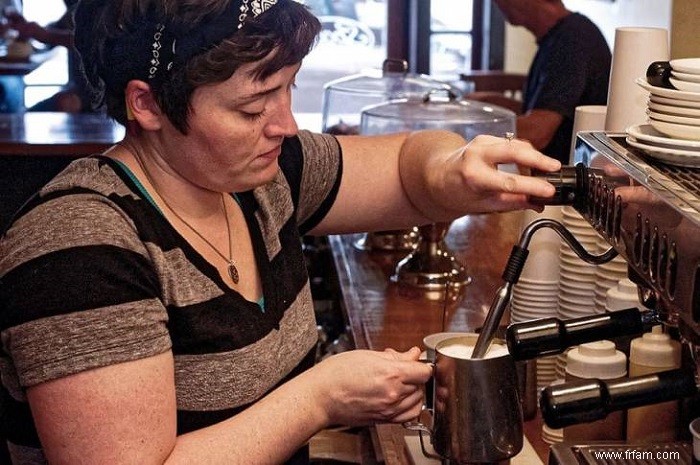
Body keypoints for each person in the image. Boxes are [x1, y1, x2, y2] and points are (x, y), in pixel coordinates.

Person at [0, 1, 561, 464]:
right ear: (146, 105)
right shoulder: (77, 244)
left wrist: (452, 169)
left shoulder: (261, 179)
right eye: (251, 108)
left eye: (287, 88)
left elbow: (405, 171)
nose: (285, 125)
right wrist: (321, 397)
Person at [467, 0, 611, 164]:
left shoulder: (573, 40)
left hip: (559, 177)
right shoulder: (563, 34)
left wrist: (468, 129)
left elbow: (538, 132)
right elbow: (546, 108)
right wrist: (485, 103)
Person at [3, 0, 92, 113]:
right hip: (82, 90)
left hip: (101, 96)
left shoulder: (99, 8)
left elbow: (93, 41)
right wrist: (28, 30)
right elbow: (55, 31)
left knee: (65, 102)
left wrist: (44, 35)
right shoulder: (78, 10)